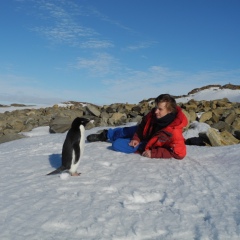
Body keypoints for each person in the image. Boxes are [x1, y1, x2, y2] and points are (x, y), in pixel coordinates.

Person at [87, 94, 188, 159]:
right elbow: (143, 125)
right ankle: (106, 134)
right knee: (127, 130)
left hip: (149, 145)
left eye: (160, 109)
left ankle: (120, 139)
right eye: (156, 107)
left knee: (117, 145)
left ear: (169, 110)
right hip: (144, 133)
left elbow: (180, 154)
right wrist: (136, 138)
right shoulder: (153, 114)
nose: (156, 111)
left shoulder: (175, 131)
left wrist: (154, 153)